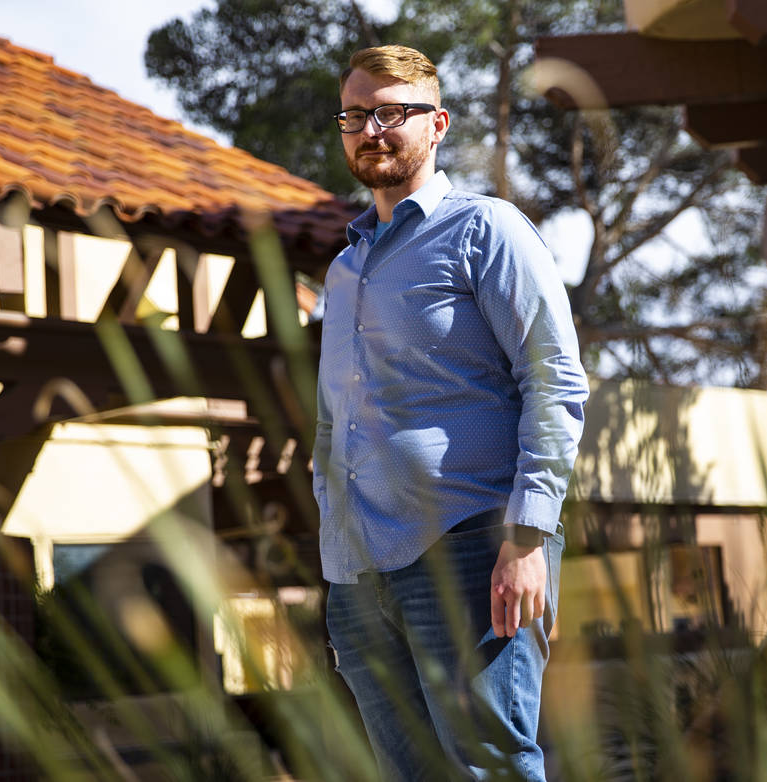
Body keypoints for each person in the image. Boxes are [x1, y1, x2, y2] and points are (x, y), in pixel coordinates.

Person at [312, 44, 589, 781]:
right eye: (354, 115)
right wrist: (335, 554)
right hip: (359, 575)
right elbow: (331, 423)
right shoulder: (343, 273)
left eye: (389, 113)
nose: (370, 129)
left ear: (436, 125)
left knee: (487, 768)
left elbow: (555, 384)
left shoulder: (486, 230)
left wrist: (527, 537)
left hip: (471, 553)